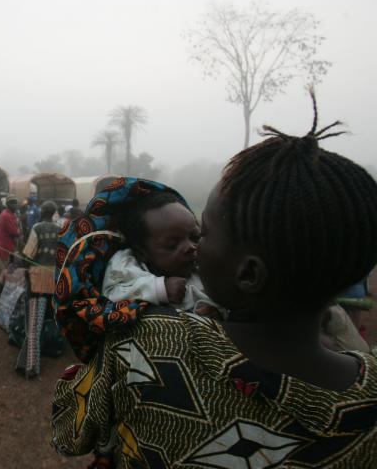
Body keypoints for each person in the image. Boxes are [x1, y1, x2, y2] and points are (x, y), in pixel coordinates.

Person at [51, 95, 377, 467]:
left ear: (248, 274)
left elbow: (68, 432)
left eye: (202, 234)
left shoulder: (149, 344)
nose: (194, 249)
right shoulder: (366, 392)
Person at [102, 191, 215, 313]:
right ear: (142, 252)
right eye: (172, 245)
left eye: (196, 237)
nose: (191, 247)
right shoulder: (126, 264)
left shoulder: (203, 268)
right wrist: (160, 289)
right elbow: (111, 293)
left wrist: (215, 311)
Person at [16, 200, 62, 377]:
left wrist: (22, 262)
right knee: (48, 316)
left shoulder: (37, 228)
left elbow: (28, 254)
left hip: (37, 277)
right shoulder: (60, 229)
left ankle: (31, 363)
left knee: (35, 318)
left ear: (42, 212)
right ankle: (45, 348)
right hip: (53, 277)